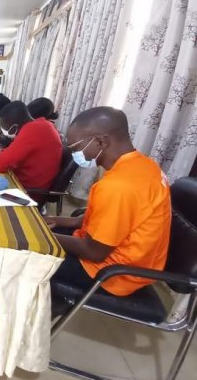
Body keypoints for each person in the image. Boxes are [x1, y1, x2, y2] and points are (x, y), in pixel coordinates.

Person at [46, 107, 171, 316]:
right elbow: (100, 220)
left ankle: (41, 313)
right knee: (43, 241)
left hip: (115, 274)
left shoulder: (118, 185)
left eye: (75, 147)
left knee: (31, 256)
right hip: (133, 261)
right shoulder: (144, 166)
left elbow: (93, 252)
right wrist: (51, 221)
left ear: (101, 142)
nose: (74, 153)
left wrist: (42, 234)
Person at [0, 101, 62, 191]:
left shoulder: (32, 130)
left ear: (15, 126)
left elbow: (0, 165)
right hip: (31, 182)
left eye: (5, 127)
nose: (4, 131)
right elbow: (18, 154)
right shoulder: (43, 124)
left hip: (27, 189)